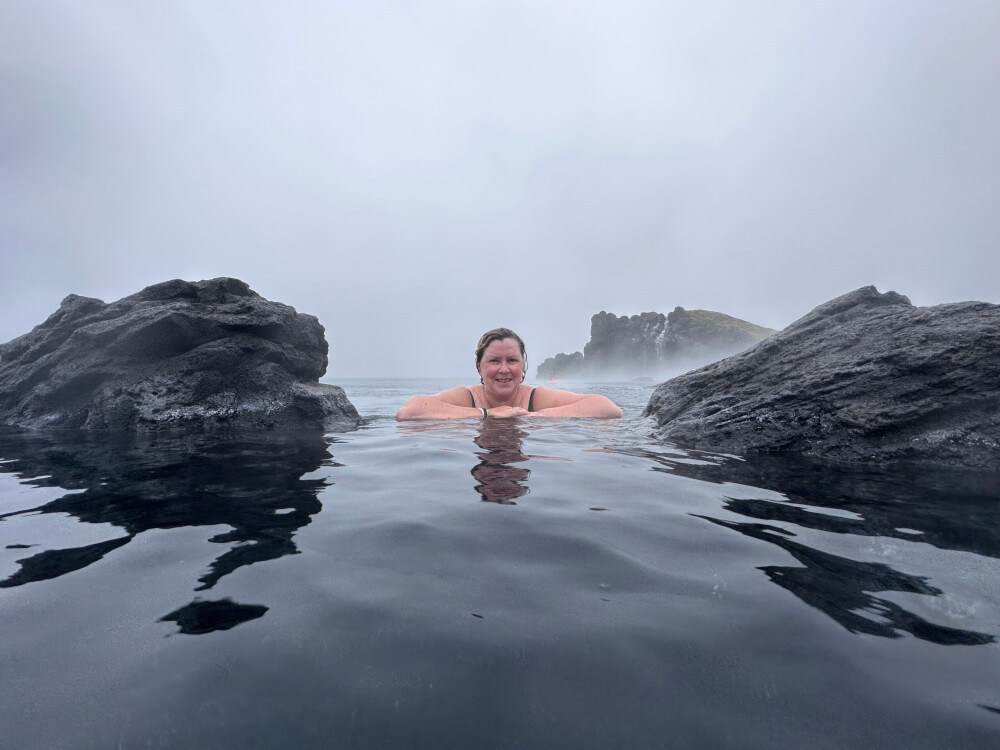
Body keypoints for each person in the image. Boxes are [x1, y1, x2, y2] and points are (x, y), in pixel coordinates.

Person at [396, 327, 623, 420]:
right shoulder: (468, 397)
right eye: (494, 361)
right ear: (479, 367)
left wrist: (534, 417)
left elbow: (608, 408)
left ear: (522, 366)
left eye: (512, 361)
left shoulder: (535, 398)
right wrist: (488, 413)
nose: (504, 369)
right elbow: (409, 411)